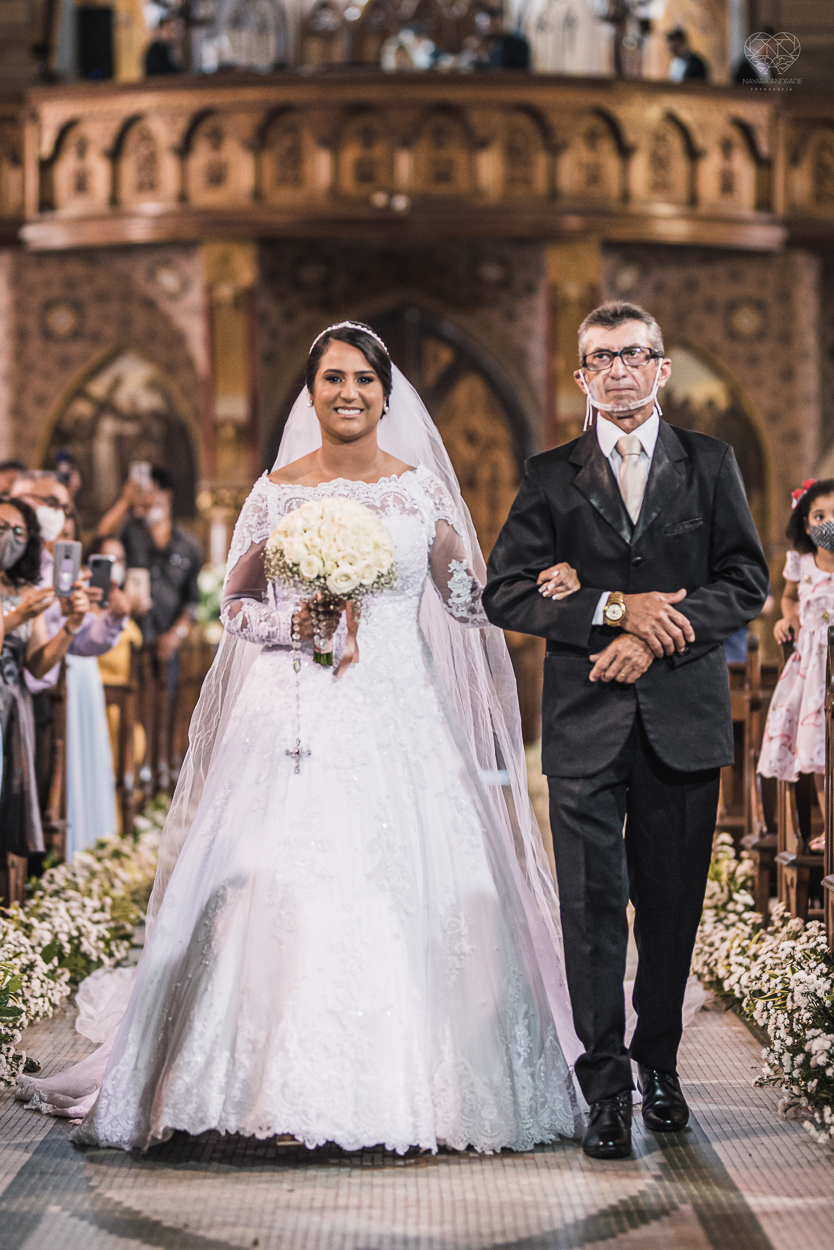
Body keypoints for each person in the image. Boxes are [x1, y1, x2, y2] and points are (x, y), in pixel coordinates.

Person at [17, 322, 582, 1152]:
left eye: (363, 380)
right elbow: (237, 608)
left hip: (399, 714)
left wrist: (547, 581)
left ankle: (428, 1090)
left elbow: (470, 599)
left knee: (404, 884)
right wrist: (296, 621)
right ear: (310, 394)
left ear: (387, 396)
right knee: (277, 882)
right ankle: (251, 1089)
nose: (348, 392)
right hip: (293, 717)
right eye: (332, 379)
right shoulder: (276, 492)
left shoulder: (420, 492)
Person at [483, 301, 769, 1160]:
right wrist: (611, 609)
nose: (618, 370)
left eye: (634, 354)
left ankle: (661, 1065)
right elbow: (505, 592)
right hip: (583, 727)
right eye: (601, 357)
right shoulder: (549, 476)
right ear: (580, 376)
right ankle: (604, 1084)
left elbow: (744, 579)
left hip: (681, 719)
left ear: (661, 367)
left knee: (672, 910)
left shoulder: (709, 464)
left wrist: (649, 639)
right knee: (592, 912)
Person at [0, 497, 90, 859]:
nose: (10, 537)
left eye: (20, 532)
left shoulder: (23, 591)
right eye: (2, 527)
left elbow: (37, 665)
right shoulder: (21, 605)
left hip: (12, 704)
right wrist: (12, 620)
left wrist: (70, 627)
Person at [758, 479, 834, 848]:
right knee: (817, 749)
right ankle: (831, 831)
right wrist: (788, 618)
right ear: (806, 523)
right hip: (814, 669)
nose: (828, 523)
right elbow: (789, 598)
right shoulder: (801, 564)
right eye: (820, 516)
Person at [59, 509, 122, 859]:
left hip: (78, 669)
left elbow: (88, 640)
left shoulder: (82, 583)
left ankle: (84, 846)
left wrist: (115, 616)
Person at [97, 466, 200, 674]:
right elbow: (102, 536)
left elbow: (191, 601)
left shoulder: (189, 545)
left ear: (166, 494)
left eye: (148, 492)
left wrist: (175, 635)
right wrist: (125, 499)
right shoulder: (129, 531)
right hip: (126, 638)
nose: (142, 499)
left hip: (166, 644)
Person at [87, 535, 146, 792]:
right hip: (95, 702)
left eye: (120, 559)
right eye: (108, 560)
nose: (115, 566)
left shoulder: (125, 603)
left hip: (125, 707)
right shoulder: (84, 604)